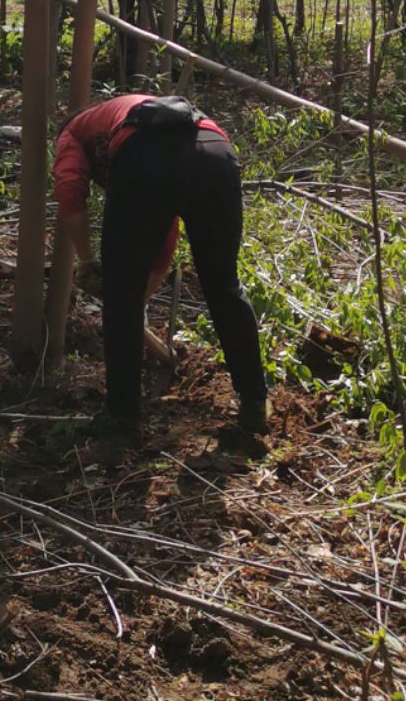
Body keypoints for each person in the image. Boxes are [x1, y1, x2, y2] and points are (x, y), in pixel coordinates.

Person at [54, 91, 266, 444]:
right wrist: (144, 296)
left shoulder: (73, 131)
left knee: (119, 295)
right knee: (223, 285)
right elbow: (164, 233)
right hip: (217, 151)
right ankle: (255, 404)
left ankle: (122, 418)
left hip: (146, 153)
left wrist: (88, 259)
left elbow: (69, 188)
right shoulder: (128, 113)